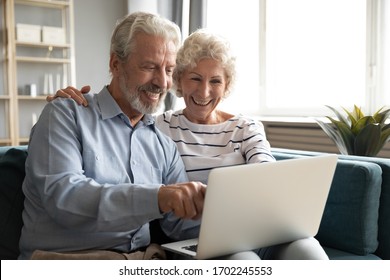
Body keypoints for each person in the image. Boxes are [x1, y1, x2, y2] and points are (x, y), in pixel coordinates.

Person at [50, 29, 329, 260]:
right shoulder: (158, 127)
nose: (204, 91)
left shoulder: (246, 128)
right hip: (201, 239)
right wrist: (75, 105)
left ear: (226, 83)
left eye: (215, 81)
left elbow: (267, 176)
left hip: (260, 229)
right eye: (195, 78)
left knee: (308, 252)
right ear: (179, 81)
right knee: (244, 261)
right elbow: (121, 118)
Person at [18, 12, 209, 260]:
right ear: (115, 64)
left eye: (169, 69)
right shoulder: (65, 114)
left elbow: (181, 225)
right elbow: (65, 199)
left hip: (142, 261)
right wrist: (158, 197)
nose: (162, 82)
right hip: (69, 261)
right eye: (149, 67)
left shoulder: (162, 144)